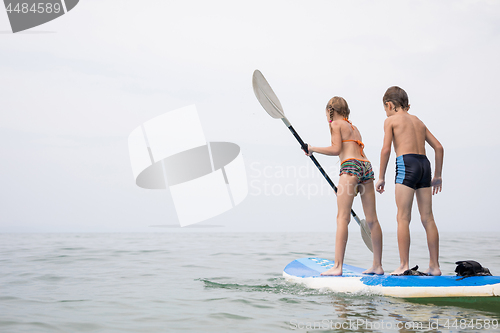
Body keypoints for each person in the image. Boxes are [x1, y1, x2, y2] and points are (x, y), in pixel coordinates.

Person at [306, 96, 384, 276]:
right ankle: (378, 266)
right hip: (366, 166)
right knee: (372, 220)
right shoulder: (353, 128)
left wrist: (313, 148)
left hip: (350, 167)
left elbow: (335, 150)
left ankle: (338, 267)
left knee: (342, 218)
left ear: (330, 111)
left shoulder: (335, 125)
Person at [376, 86, 444, 276]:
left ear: (389, 105)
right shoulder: (418, 122)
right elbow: (438, 147)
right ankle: (434, 266)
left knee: (403, 217)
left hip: (406, 163)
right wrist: (437, 176)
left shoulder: (390, 121)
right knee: (428, 217)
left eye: (385, 108)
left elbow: (386, 150)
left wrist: (381, 176)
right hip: (425, 165)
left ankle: (404, 264)